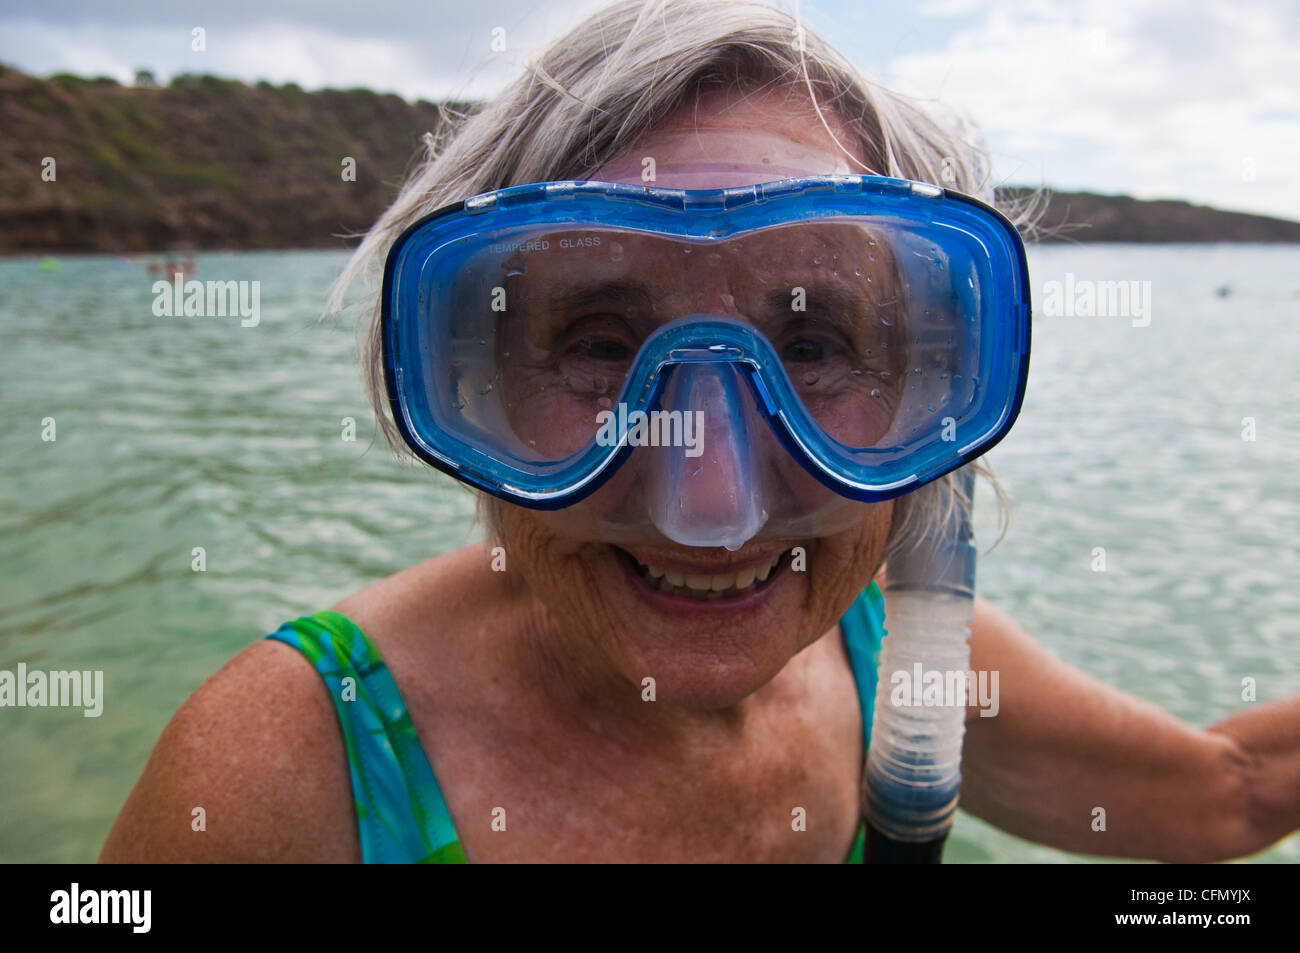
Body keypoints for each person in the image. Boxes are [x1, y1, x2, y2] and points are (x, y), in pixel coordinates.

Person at [100, 0, 1299, 864]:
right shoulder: (292, 772)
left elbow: (1229, 794)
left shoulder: (903, 657)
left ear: (926, 391)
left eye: (818, 344)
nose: (710, 505)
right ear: (473, 378)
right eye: (600, 343)